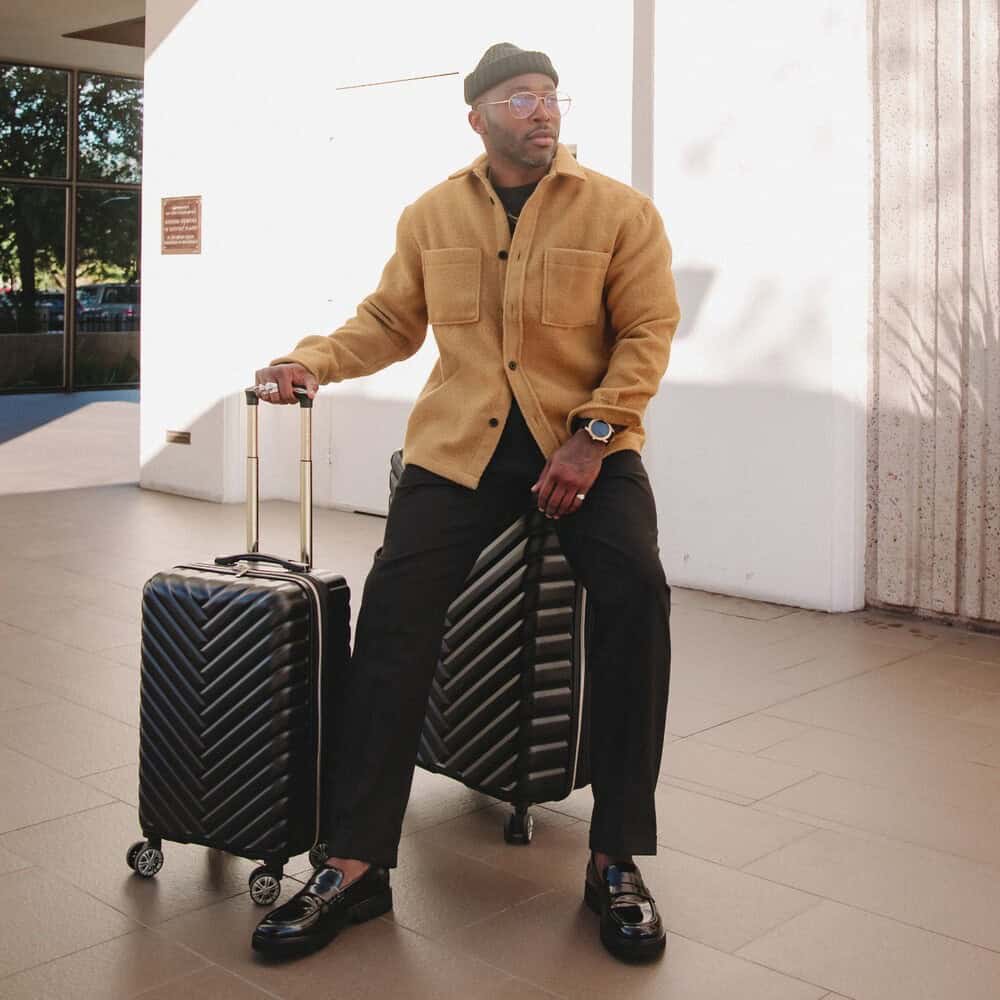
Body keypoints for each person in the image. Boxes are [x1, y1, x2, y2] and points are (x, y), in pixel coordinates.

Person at [250, 42, 680, 963]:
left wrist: (594, 436)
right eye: (522, 98)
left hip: (589, 448)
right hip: (460, 452)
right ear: (479, 116)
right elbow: (389, 322)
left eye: (552, 97)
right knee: (393, 622)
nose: (543, 111)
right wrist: (309, 360)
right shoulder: (433, 213)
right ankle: (357, 865)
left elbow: (648, 331)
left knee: (638, 596)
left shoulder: (618, 211)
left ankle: (616, 858)